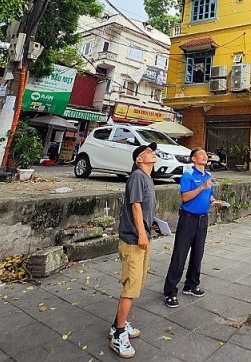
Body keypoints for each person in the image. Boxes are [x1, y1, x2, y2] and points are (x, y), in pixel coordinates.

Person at [110, 142, 158, 359]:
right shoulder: (138, 176)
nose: (152, 153)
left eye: (152, 151)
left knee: (136, 284)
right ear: (139, 159)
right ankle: (118, 335)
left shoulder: (147, 178)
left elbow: (144, 209)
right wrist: (140, 233)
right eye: (147, 151)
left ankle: (117, 325)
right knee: (130, 287)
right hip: (133, 240)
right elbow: (136, 205)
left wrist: (150, 225)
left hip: (140, 236)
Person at [163, 147, 224, 308]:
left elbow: (209, 194)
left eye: (206, 154)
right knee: (180, 254)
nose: (205, 156)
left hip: (202, 220)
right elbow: (185, 197)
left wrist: (214, 202)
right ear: (193, 159)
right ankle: (170, 291)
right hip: (188, 219)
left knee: (198, 254)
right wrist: (201, 187)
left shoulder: (208, 176)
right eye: (201, 154)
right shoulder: (188, 175)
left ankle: (191, 285)